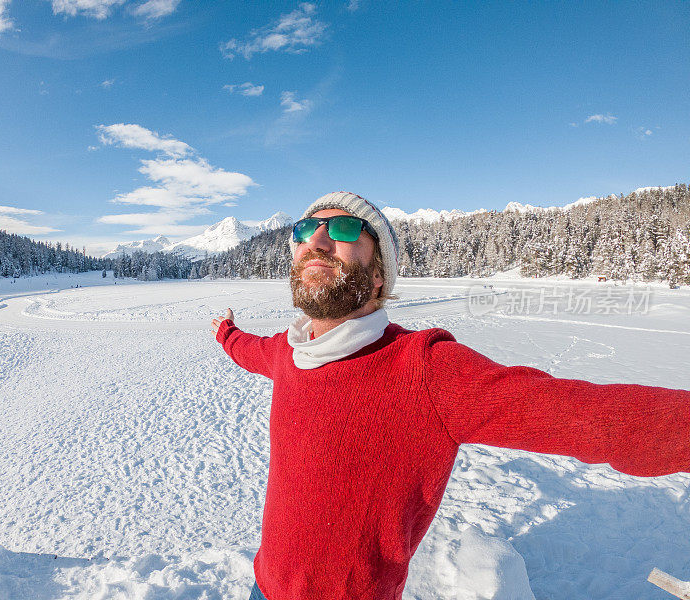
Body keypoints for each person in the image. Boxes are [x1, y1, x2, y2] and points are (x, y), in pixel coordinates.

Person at [210, 191, 690, 600]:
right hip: (263, 585)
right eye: (303, 231)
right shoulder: (289, 352)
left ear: (378, 276)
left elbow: (589, 416)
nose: (316, 239)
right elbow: (248, 351)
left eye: (342, 228)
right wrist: (226, 332)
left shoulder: (423, 369)